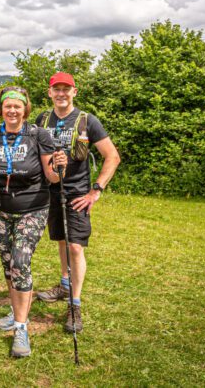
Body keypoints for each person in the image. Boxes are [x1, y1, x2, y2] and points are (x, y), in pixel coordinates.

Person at [0, 86, 63, 358]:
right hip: (0, 207)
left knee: (20, 261)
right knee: (8, 263)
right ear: (0, 109)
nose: (12, 110)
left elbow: (53, 177)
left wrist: (60, 167)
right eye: (7, 106)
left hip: (32, 207)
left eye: (17, 106)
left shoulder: (38, 135)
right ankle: (15, 311)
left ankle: (21, 328)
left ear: (25, 109)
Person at [34, 72, 120, 334]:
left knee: (75, 247)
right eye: (56, 89)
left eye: (66, 89)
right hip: (50, 191)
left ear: (74, 92)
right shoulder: (42, 119)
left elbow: (112, 157)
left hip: (77, 195)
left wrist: (96, 191)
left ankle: (75, 303)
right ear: (49, 93)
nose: (61, 93)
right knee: (61, 240)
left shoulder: (87, 121)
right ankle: (63, 284)